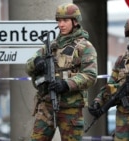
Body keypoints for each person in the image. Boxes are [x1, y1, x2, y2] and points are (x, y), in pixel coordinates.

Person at [25, 3, 98, 141]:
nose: (61, 24)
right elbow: (28, 65)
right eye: (59, 21)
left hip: (71, 108)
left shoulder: (85, 47)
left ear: (75, 21)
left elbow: (90, 76)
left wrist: (66, 84)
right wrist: (36, 63)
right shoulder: (50, 46)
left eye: (65, 20)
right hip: (46, 105)